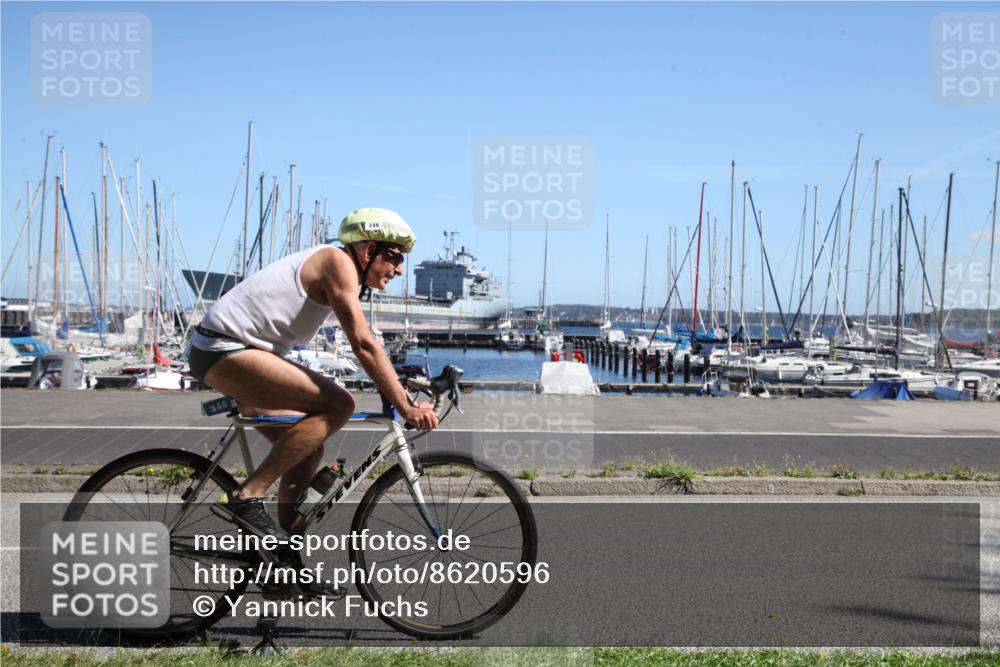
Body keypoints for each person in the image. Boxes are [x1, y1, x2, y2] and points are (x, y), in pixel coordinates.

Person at [186, 207, 439, 542]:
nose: (399, 270)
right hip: (223, 349)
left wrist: (400, 391)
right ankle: (247, 496)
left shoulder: (342, 266)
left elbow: (369, 346)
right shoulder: (338, 263)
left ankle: (283, 556)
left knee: (307, 447)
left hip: (240, 353)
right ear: (368, 250)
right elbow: (363, 343)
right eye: (395, 257)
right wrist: (406, 408)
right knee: (339, 405)